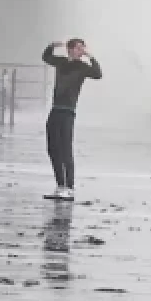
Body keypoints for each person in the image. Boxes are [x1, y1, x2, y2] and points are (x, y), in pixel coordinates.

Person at [41, 38, 102, 200]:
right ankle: (60, 185)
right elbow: (46, 58)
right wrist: (51, 46)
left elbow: (98, 74)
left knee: (66, 149)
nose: (81, 50)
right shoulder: (61, 62)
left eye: (83, 48)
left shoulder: (82, 67)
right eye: (78, 48)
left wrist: (91, 56)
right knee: (52, 148)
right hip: (55, 109)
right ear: (69, 49)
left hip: (68, 111)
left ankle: (70, 187)